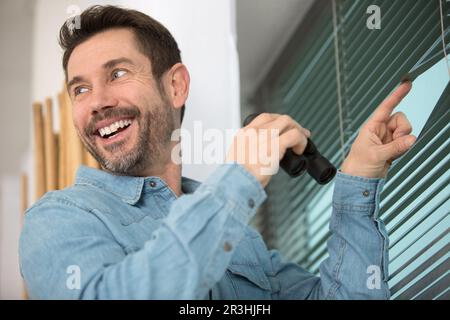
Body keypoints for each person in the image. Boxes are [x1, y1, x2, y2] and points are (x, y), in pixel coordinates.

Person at [19, 5, 416, 300]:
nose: (97, 102)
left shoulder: (240, 240)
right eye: (80, 89)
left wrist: (359, 177)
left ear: (175, 86)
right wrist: (238, 180)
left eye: (117, 73)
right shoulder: (56, 220)